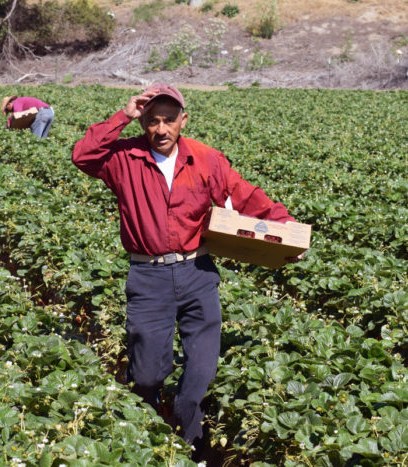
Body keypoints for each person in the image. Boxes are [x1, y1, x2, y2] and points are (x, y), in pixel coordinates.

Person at [72, 84, 300, 450]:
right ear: (142, 122)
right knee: (147, 373)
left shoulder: (205, 158)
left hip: (198, 272)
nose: (161, 129)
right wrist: (122, 115)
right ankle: (145, 427)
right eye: (151, 121)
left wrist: (286, 229)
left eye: (169, 120)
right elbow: (83, 156)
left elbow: (244, 195)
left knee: (201, 370)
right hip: (148, 276)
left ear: (183, 120)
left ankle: (189, 439)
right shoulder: (123, 158)